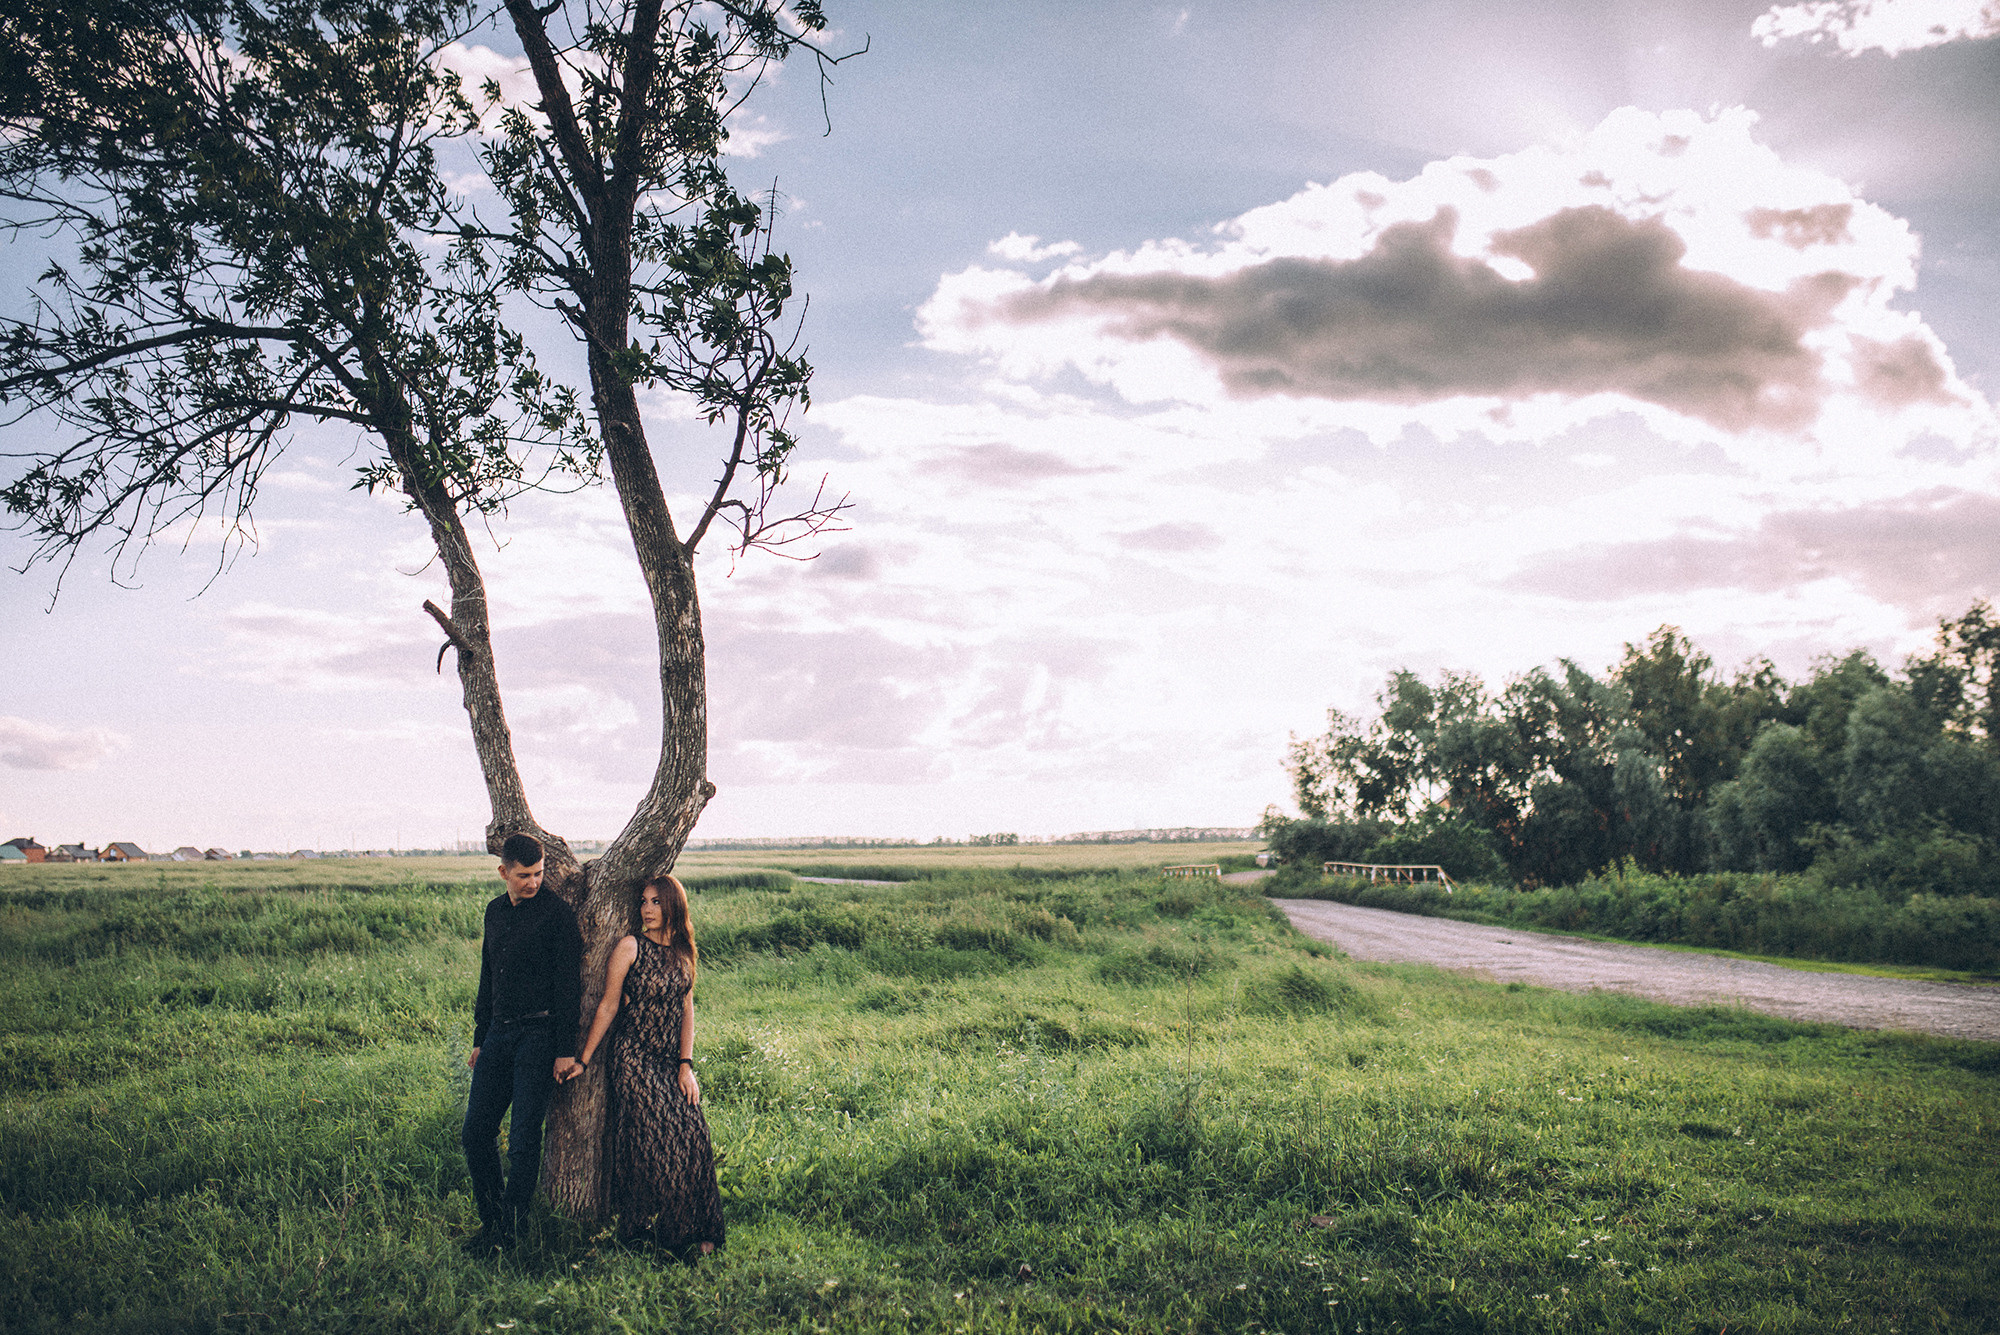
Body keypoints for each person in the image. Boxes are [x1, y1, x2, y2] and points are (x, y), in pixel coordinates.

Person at [570, 873, 725, 1256]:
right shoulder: (630, 946)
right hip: (634, 1058)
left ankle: (697, 1229)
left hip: (668, 1060)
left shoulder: (683, 952)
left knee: (694, 1134)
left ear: (673, 904)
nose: (647, 909)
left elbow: (687, 1011)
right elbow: (608, 1005)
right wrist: (585, 1058)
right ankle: (666, 1236)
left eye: (655, 902)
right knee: (658, 1142)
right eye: (643, 902)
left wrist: (685, 1065)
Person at [462, 833, 582, 1251]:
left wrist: (566, 1048)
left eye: (539, 873)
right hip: (498, 1032)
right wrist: (480, 1038)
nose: (533, 882)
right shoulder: (494, 912)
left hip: (540, 1035)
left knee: (523, 1139)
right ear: (503, 872)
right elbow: (487, 978)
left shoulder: (558, 915)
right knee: (475, 1132)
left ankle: (511, 1232)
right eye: (524, 875)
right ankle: (491, 1223)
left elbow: (570, 985)